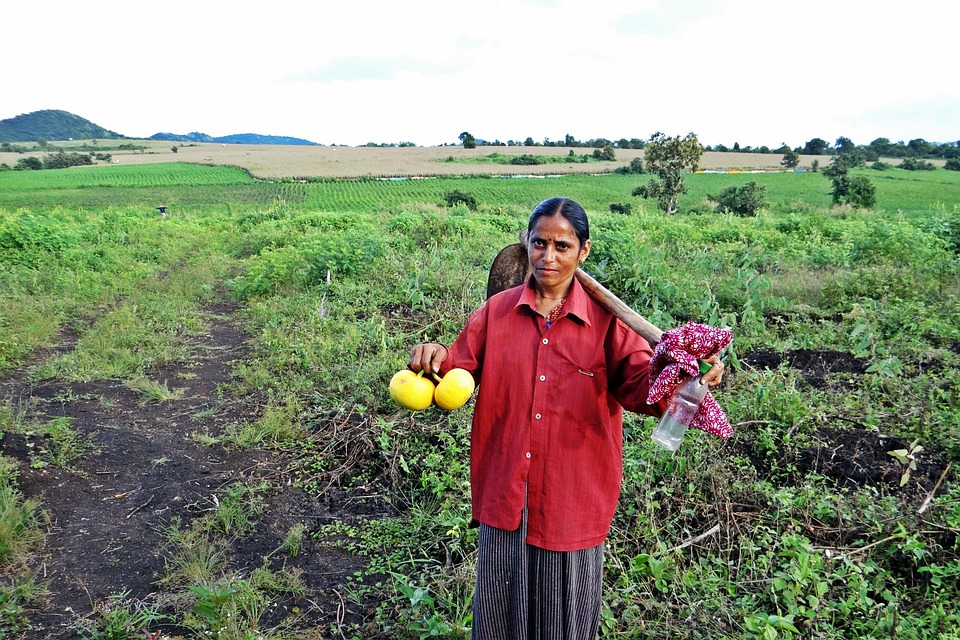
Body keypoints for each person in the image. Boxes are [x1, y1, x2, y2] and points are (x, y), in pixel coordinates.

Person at [408, 197, 724, 639]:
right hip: (507, 492)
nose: (549, 256)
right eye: (540, 243)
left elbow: (640, 388)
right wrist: (434, 357)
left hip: (573, 494)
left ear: (584, 251)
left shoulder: (609, 323)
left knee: (566, 620)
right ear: (527, 245)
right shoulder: (496, 313)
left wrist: (680, 375)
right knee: (501, 614)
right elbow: (455, 371)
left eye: (562, 245)